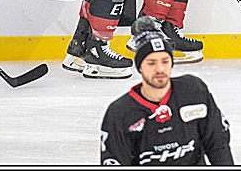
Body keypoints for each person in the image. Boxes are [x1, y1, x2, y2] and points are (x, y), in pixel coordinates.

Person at [100, 16, 233, 165]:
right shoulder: (120, 114)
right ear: (140, 67)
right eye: (151, 63)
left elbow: (218, 144)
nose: (160, 69)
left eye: (165, 61)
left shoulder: (194, 92)